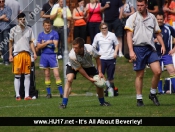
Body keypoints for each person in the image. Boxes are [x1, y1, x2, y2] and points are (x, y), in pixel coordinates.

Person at [124, 0, 166, 106]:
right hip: (138, 48)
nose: (139, 7)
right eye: (138, 5)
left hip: (150, 48)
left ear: (146, 5)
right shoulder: (132, 18)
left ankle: (152, 93)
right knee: (140, 75)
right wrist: (131, 50)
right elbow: (129, 35)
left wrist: (163, 45)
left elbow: (157, 33)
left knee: (158, 71)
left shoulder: (152, 17)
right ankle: (139, 99)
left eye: (142, 5)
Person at [59, 37, 111, 109]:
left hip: (87, 65)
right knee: (69, 79)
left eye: (76, 48)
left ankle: (102, 102)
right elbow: (80, 69)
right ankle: (64, 103)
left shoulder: (90, 48)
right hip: (73, 65)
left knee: (99, 81)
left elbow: (97, 58)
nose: (74, 49)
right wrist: (89, 78)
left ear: (82, 48)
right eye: (73, 47)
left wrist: (100, 72)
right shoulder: (72, 55)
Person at [9, 12, 37, 101]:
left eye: (23, 19)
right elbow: (10, 43)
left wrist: (34, 53)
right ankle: (18, 95)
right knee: (17, 76)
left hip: (27, 54)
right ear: (17, 20)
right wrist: (10, 54)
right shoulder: (13, 30)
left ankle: (27, 95)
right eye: (20, 19)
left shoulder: (29, 29)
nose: (22, 21)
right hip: (17, 54)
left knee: (27, 75)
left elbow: (31, 42)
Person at [36, 19, 63, 98]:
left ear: (50, 25)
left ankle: (61, 92)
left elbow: (54, 45)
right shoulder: (40, 35)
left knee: (56, 74)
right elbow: (38, 47)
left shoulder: (55, 33)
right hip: (44, 56)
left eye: (48, 25)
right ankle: (48, 93)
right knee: (47, 75)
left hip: (52, 55)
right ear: (43, 26)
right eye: (46, 25)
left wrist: (43, 43)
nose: (47, 27)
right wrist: (48, 42)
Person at [92, 22, 119, 96]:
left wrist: (115, 52)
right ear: (100, 29)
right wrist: (96, 54)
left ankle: (111, 90)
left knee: (110, 76)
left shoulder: (112, 35)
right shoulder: (98, 36)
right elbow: (93, 46)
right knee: (100, 75)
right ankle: (100, 91)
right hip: (102, 58)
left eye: (105, 28)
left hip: (111, 57)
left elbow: (117, 44)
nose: (104, 29)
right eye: (103, 28)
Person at [154, 12, 175, 93]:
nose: (159, 21)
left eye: (161, 19)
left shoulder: (168, 28)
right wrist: (153, 40)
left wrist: (173, 49)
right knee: (158, 72)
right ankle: (160, 91)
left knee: (172, 71)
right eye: (158, 19)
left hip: (166, 54)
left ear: (164, 19)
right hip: (155, 54)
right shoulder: (151, 28)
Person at [0, 0, 12, 65]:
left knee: (5, 44)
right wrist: (3, 17)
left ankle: (6, 60)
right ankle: (3, 60)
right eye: (0, 1)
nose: (1, 2)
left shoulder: (8, 8)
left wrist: (1, 18)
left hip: (5, 28)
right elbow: (5, 18)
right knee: (1, 45)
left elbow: (8, 18)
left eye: (3, 1)